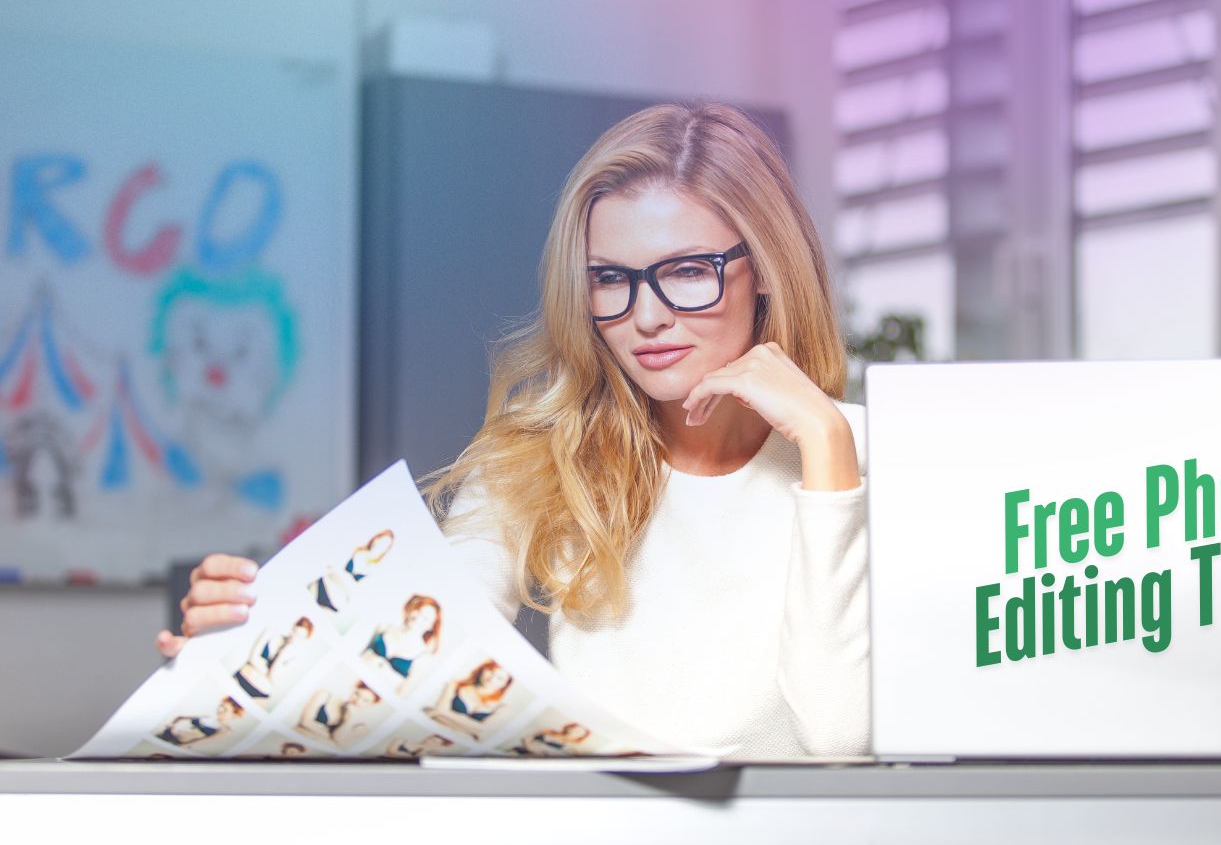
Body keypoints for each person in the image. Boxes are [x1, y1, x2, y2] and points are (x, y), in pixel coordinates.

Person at [156, 102, 870, 758]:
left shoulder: (861, 455)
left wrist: (830, 452)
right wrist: (241, 648)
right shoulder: (546, 460)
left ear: (767, 269)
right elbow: (411, 669)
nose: (646, 317)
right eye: (610, 279)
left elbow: (843, 742)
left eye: (687, 271)